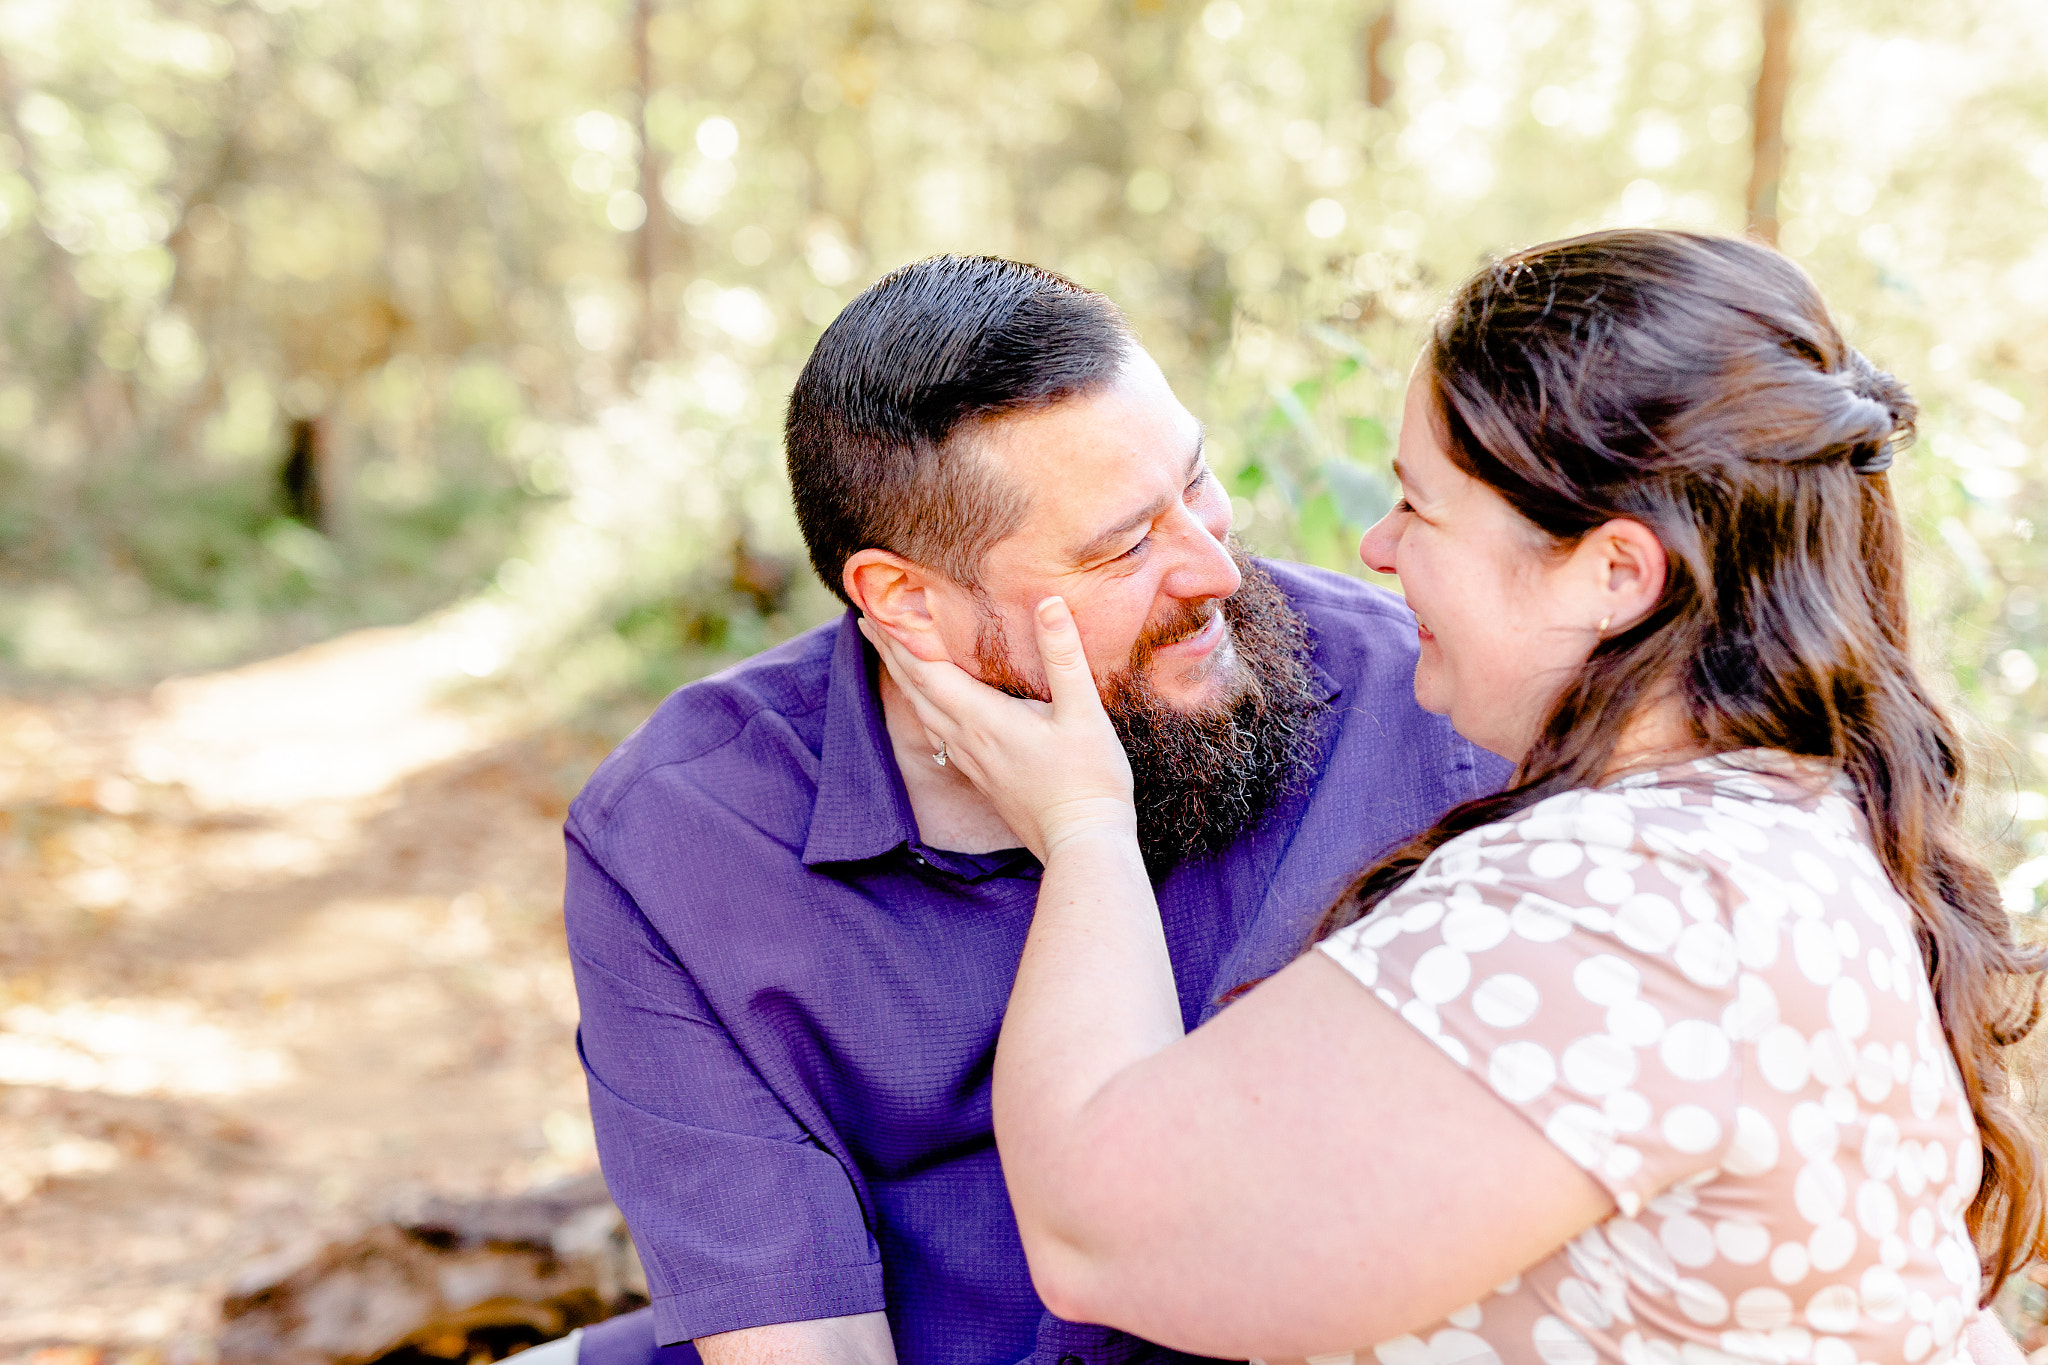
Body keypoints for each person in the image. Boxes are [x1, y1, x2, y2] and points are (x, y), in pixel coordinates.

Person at [866, 230, 2048, 1365]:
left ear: (1612, 573)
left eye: (1422, 507)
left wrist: (1080, 830)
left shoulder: (1614, 911)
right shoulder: (1767, 821)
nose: (1375, 548)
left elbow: (1090, 1232)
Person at [552, 255, 1503, 1365]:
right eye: (1123, 545)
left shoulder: (1421, 716)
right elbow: (803, 1349)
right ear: (903, 600)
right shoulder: (684, 840)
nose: (1214, 572)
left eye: (1194, 484)